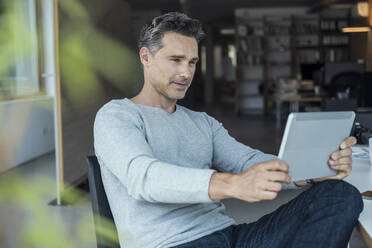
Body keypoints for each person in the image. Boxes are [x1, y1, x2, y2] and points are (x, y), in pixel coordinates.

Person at [94, 12, 363, 248]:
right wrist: (233, 184)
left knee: (340, 195)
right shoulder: (117, 115)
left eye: (192, 62)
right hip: (170, 242)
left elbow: (246, 161)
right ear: (146, 57)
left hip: (230, 236)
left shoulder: (202, 122)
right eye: (175, 60)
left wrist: (314, 170)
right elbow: (144, 178)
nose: (186, 73)